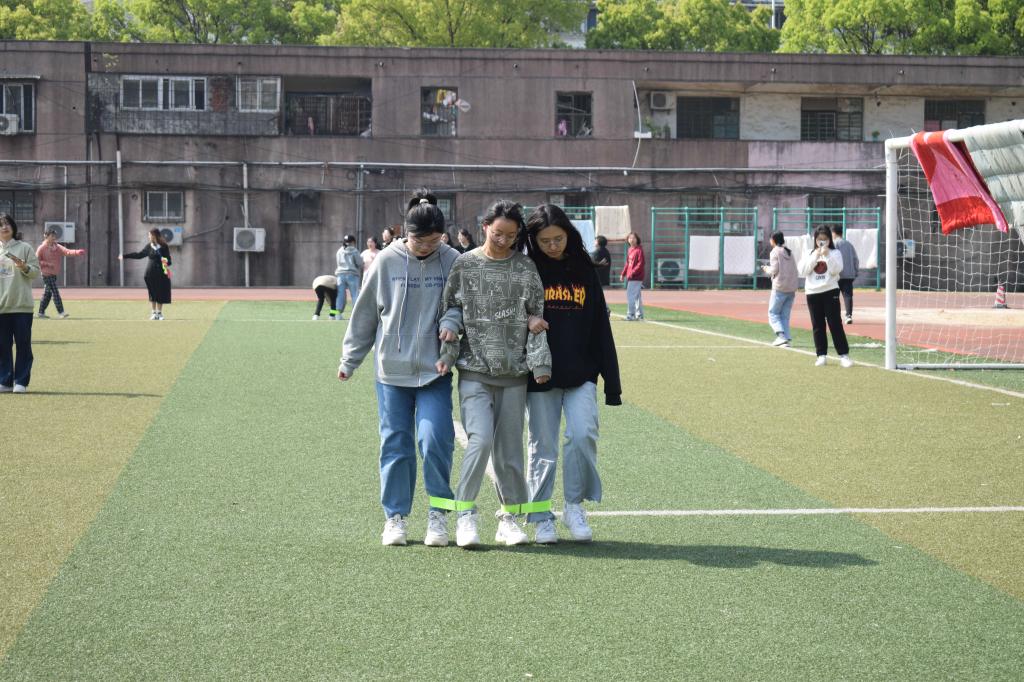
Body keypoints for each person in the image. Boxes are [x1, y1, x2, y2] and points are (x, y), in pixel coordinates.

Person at [339, 190, 461, 547]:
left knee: (436, 440)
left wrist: (452, 320)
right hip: (391, 373)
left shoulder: (453, 260)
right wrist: (350, 359)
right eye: (419, 241)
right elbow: (365, 314)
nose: (426, 248)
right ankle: (395, 517)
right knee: (396, 444)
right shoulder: (386, 261)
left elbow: (462, 304)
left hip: (435, 370)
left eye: (434, 241)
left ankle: (439, 515)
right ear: (406, 234)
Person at [438, 200, 552, 549]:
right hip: (474, 370)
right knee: (480, 440)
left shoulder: (526, 268)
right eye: (498, 233)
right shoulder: (465, 264)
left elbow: (537, 318)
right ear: (485, 226)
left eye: (511, 236)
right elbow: (452, 308)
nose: (503, 240)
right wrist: (447, 350)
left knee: (510, 452)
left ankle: (509, 519)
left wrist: (540, 363)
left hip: (514, 374)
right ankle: (465, 514)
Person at [522, 204, 621, 544]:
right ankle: (540, 516)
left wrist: (612, 383)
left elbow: (600, 325)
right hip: (540, 376)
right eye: (545, 241)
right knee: (542, 447)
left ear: (569, 235)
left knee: (582, 435)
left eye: (558, 239)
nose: (552, 246)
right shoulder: (528, 269)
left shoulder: (584, 269)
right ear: (533, 240)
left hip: (581, 374)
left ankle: (574, 507)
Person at [797, 226, 853, 368]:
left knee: (835, 324)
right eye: (819, 239)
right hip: (812, 293)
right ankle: (821, 355)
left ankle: (844, 355)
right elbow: (802, 271)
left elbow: (836, 270)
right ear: (815, 240)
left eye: (825, 239)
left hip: (830, 291)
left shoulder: (835, 253)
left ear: (829, 240)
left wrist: (827, 255)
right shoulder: (809, 253)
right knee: (817, 325)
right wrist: (815, 256)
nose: (822, 242)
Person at [0, 214, 41, 394]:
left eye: (7, 224)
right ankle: (5, 381)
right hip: (1, 307)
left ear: (13, 227)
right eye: (0, 225)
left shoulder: (25, 248)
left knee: (23, 345)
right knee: (2, 346)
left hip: (21, 306)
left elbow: (35, 273)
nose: (4, 227)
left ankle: (21, 381)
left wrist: (24, 267)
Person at [118, 228, 171, 320]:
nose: (149, 237)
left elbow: (169, 260)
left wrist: (166, 261)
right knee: (153, 292)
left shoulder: (164, 246)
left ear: (154, 235)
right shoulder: (149, 246)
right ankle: (153, 313)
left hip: (161, 273)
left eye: (150, 235)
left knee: (161, 293)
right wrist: (125, 256)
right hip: (150, 273)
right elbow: (139, 255)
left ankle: (159, 313)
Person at [35, 227, 86, 319]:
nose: (54, 238)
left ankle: (40, 312)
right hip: (46, 274)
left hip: (54, 274)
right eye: (52, 236)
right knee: (55, 292)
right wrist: (47, 264)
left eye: (55, 236)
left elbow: (67, 252)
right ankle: (61, 312)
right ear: (46, 236)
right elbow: (36, 261)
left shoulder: (57, 247)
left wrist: (77, 252)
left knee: (47, 294)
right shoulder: (41, 248)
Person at [762, 231, 798, 347]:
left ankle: (781, 336)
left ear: (773, 240)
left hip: (780, 287)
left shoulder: (775, 252)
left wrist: (766, 269)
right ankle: (786, 338)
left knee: (773, 313)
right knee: (784, 315)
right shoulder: (789, 252)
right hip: (791, 288)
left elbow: (774, 270)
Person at [831, 225, 860, 324]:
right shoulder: (849, 244)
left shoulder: (834, 244)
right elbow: (855, 259)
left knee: (834, 296)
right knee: (848, 295)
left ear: (833, 233)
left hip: (837, 274)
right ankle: (848, 315)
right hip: (849, 274)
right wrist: (855, 271)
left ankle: (835, 316)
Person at [334, 234, 363, 319]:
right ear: (353, 242)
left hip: (340, 275)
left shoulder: (339, 251)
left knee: (340, 295)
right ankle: (356, 315)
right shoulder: (354, 251)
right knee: (354, 295)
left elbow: (338, 263)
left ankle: (337, 315)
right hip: (352, 274)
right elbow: (359, 263)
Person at [620, 231, 645, 320]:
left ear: (637, 239)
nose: (632, 240)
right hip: (631, 277)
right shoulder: (630, 249)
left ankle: (630, 314)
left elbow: (641, 264)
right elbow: (627, 263)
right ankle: (639, 314)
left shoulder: (639, 250)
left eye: (634, 238)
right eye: (630, 238)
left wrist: (632, 273)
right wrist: (623, 273)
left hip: (636, 277)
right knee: (637, 296)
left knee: (630, 295)